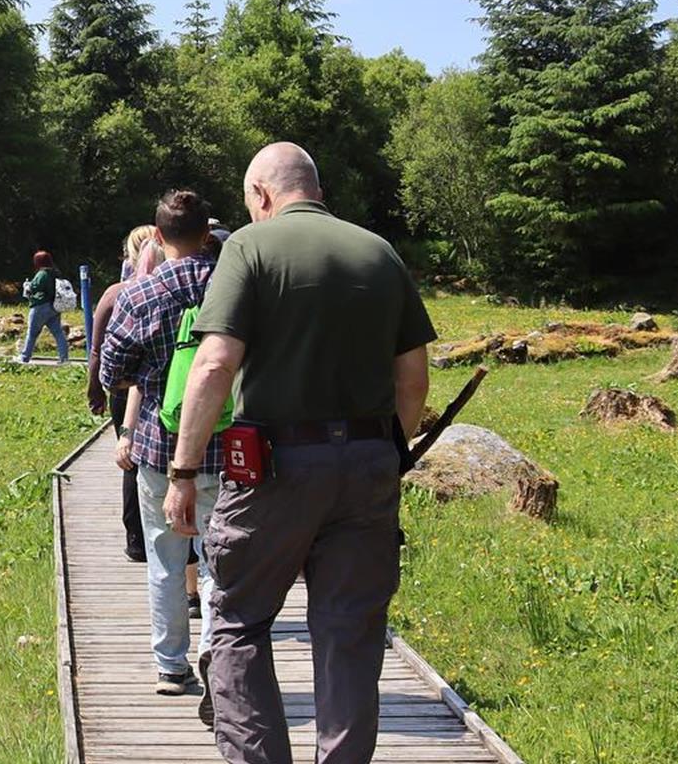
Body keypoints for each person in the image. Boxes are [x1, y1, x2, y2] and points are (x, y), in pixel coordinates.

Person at [164, 143, 436, 763]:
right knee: (350, 637)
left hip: (276, 470)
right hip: (369, 466)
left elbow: (212, 364)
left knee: (238, 624)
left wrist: (183, 470)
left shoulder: (247, 249)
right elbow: (413, 377)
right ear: (313, 186)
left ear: (260, 195)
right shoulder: (379, 252)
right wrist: (386, 449)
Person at [98, 191, 229, 705]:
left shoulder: (139, 293)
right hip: (226, 447)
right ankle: (220, 655)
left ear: (156, 236)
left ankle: (171, 667)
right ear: (207, 235)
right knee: (223, 563)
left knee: (165, 561)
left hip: (158, 445)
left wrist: (151, 379)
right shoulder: (233, 286)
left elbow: (111, 373)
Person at [87, 224, 162, 561]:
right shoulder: (177, 290)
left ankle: (136, 539)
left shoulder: (116, 293)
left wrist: (95, 389)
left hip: (122, 387)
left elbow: (96, 349)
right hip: (166, 386)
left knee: (130, 459)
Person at [19, 251, 69, 363]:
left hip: (40, 307)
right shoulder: (56, 273)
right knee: (58, 333)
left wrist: (26, 285)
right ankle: (64, 358)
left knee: (32, 333)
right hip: (54, 307)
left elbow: (33, 287)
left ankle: (24, 357)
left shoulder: (42, 273)